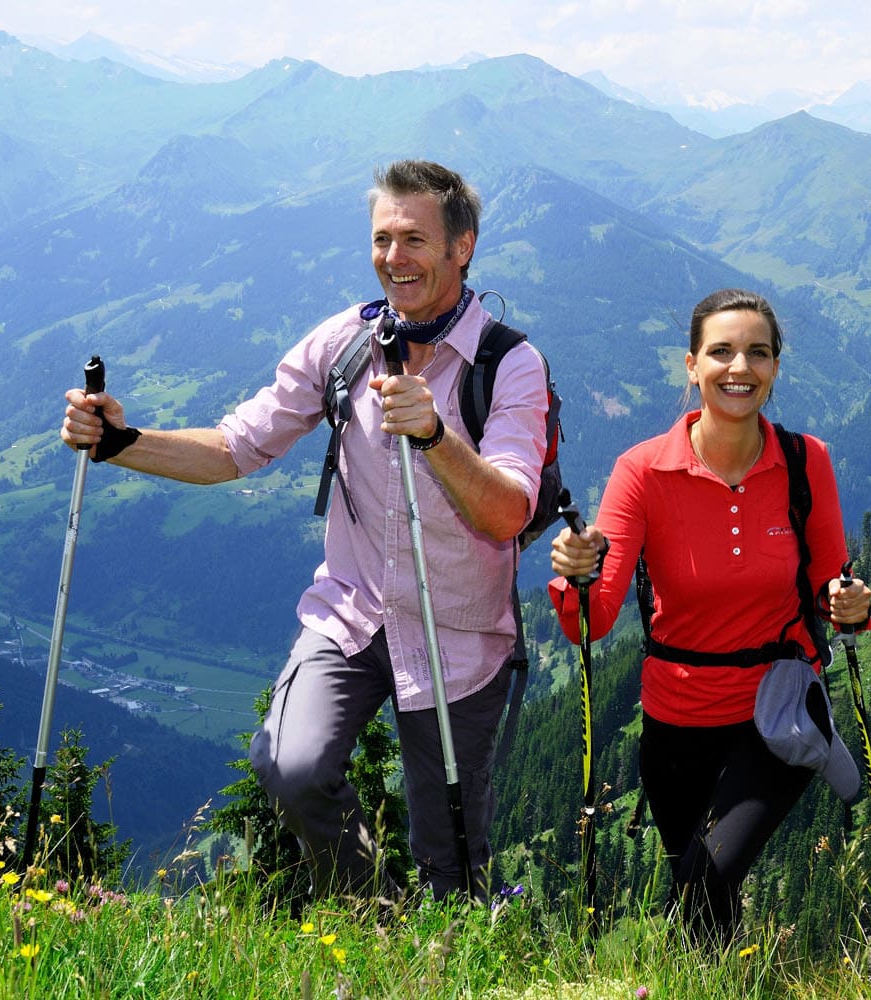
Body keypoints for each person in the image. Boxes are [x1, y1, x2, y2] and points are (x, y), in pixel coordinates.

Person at [61, 159, 550, 903]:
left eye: (414, 239)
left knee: (451, 864)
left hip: (460, 636)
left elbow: (509, 512)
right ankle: (377, 915)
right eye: (382, 238)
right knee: (290, 766)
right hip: (352, 613)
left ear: (463, 247)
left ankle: (440, 947)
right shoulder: (345, 343)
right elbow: (235, 447)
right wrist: (121, 443)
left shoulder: (508, 364)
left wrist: (437, 435)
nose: (394, 258)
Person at [548, 287, 871, 942]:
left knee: (708, 878)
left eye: (757, 352)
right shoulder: (641, 472)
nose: (740, 368)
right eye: (721, 352)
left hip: (777, 711)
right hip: (675, 724)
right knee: (701, 894)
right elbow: (593, 622)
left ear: (775, 367)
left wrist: (851, 607)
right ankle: (710, 979)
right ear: (691, 365)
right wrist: (574, 577)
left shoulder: (807, 461)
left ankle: (662, 979)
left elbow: (829, 588)